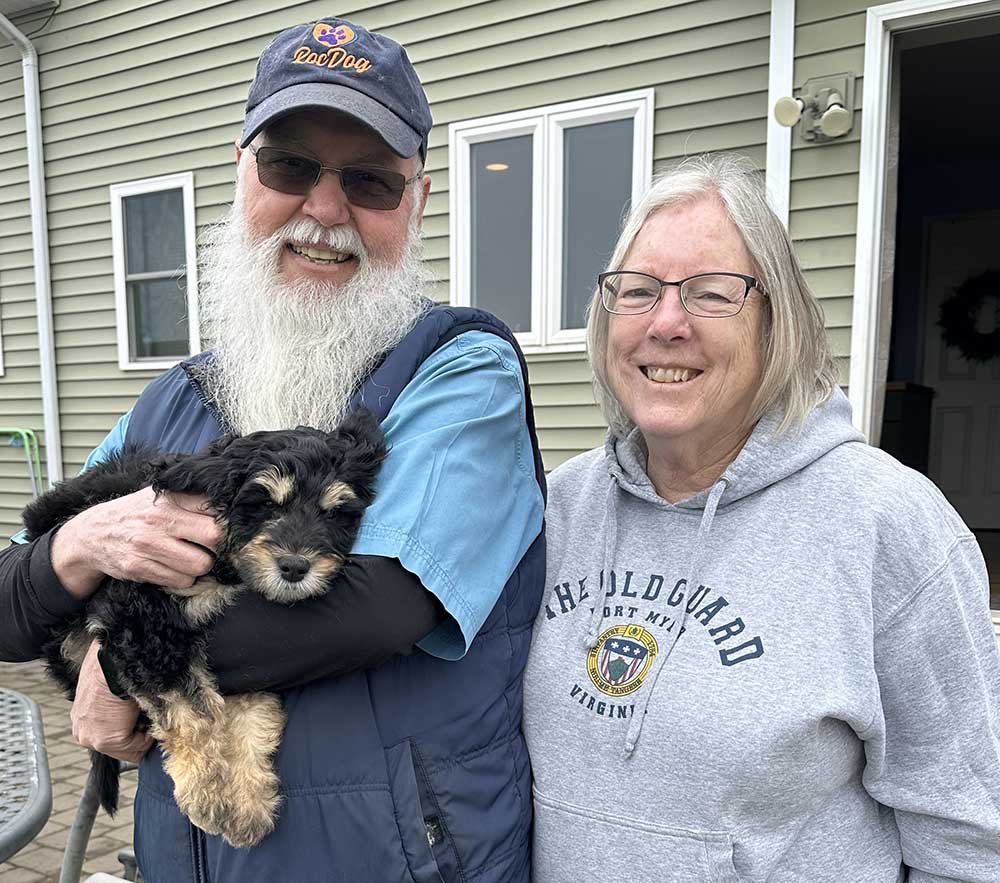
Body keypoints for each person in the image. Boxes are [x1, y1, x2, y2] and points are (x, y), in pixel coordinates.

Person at [0, 16, 545, 883]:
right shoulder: (178, 397)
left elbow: (380, 605)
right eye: (291, 166)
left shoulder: (460, 370)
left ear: (418, 202)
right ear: (242, 170)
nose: (326, 212)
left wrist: (120, 661)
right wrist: (74, 546)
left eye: (369, 181)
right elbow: (11, 604)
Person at [522, 153, 1000, 882]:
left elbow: (969, 840)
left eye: (712, 294)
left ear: (777, 321)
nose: (667, 322)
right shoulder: (559, 507)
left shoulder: (887, 524)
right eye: (639, 290)